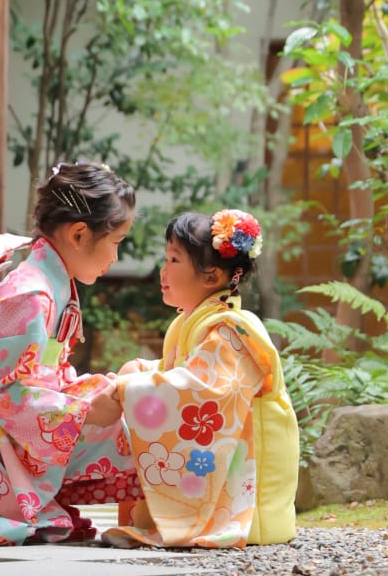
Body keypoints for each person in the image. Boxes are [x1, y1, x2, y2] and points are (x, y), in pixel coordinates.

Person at [0, 161, 141, 546]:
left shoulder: (51, 283)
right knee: (132, 431)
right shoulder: (28, 294)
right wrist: (85, 411)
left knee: (126, 406)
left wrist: (99, 391)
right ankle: (150, 521)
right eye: (116, 242)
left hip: (4, 425)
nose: (115, 257)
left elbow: (45, 374)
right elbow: (9, 397)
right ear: (80, 234)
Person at [105, 207, 299, 549]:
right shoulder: (192, 322)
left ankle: (221, 520)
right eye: (166, 259)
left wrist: (131, 388)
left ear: (211, 278)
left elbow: (201, 390)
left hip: (255, 488)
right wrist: (141, 371)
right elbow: (180, 370)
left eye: (175, 261)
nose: (163, 271)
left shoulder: (232, 330)